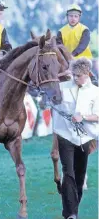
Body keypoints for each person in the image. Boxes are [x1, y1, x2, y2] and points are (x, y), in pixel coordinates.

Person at [52, 57, 99, 219]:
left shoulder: (95, 92)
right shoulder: (63, 87)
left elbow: (98, 115)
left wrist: (83, 116)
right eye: (73, 75)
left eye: (78, 75)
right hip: (65, 135)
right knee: (68, 172)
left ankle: (70, 212)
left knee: (80, 175)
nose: (75, 78)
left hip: (85, 138)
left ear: (87, 74)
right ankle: (72, 214)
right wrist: (57, 76)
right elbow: (49, 91)